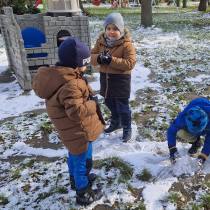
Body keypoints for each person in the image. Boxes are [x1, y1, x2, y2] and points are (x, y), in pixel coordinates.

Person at [33, 38, 104, 206]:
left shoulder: (62, 76)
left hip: (71, 132)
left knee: (74, 155)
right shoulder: (71, 85)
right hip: (79, 131)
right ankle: (83, 192)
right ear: (76, 65)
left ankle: (75, 180)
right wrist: (92, 104)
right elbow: (76, 112)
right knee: (83, 161)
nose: (87, 67)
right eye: (85, 64)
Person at [90, 12, 136, 142]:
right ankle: (116, 123)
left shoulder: (127, 45)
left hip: (121, 81)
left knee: (122, 107)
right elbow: (91, 58)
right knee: (109, 103)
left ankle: (127, 127)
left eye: (115, 29)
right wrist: (99, 58)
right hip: (106, 79)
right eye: (108, 28)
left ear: (121, 30)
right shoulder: (100, 43)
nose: (111, 32)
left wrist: (111, 60)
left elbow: (130, 64)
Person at [167, 98, 210, 170]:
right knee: (180, 131)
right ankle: (196, 143)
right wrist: (172, 149)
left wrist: (203, 156)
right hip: (196, 125)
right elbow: (171, 131)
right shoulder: (183, 118)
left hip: (209, 124)